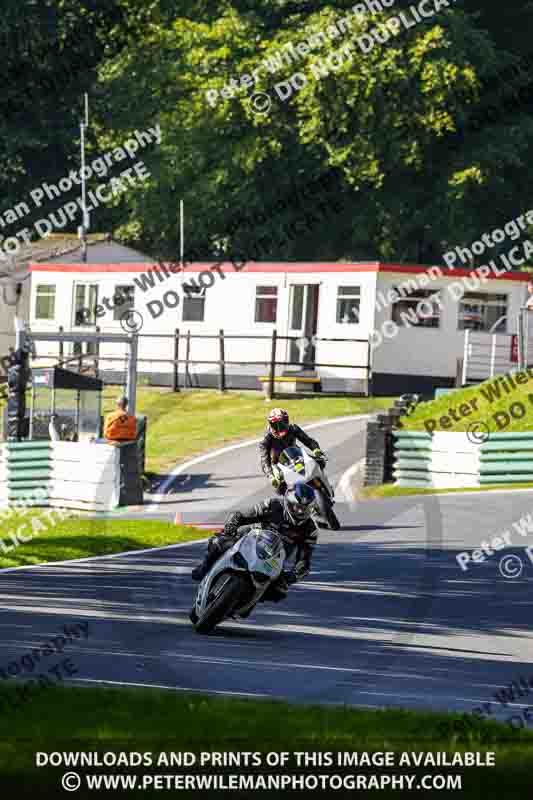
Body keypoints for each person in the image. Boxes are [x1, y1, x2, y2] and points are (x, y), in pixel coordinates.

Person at [191, 482, 318, 600]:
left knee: (280, 591)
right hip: (250, 540)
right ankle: (204, 567)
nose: (300, 511)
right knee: (219, 542)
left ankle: (245, 602)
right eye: (297, 507)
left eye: (304, 509)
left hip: (274, 562)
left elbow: (304, 559)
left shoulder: (310, 530)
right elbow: (244, 515)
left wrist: (293, 575)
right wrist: (233, 524)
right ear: (289, 501)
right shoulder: (272, 504)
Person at [259, 408, 326, 493]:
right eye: (275, 425)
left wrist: (316, 449)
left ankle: (323, 483)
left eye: (282, 424)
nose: (279, 428)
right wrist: (270, 475)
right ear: (270, 424)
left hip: (296, 455)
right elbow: (264, 459)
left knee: (320, 462)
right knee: (279, 487)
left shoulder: (293, 429)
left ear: (287, 421)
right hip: (277, 463)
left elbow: (308, 441)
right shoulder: (266, 439)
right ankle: (289, 502)